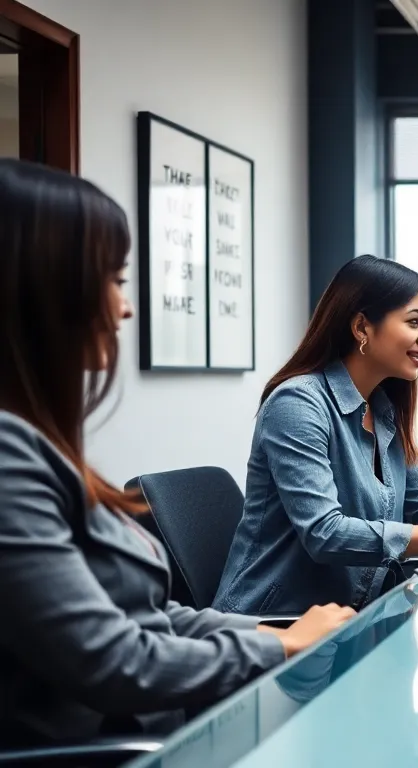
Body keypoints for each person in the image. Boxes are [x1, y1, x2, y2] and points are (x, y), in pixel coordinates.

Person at [0, 159, 353, 746]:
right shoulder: (9, 458)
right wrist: (277, 641)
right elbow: (114, 661)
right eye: (114, 281)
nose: (125, 307)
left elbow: (153, 613)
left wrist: (282, 628)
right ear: (44, 291)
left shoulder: (34, 445)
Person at [214, 255, 418, 615]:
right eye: (415, 322)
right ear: (362, 328)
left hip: (352, 618)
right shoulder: (298, 403)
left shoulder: (383, 407)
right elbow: (326, 534)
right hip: (274, 625)